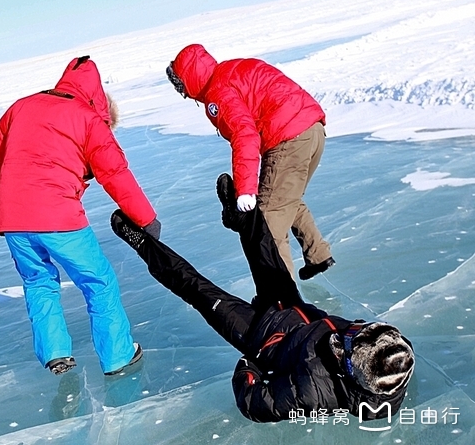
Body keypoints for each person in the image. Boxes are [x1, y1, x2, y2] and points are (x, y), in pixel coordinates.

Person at [109, 173, 414, 422]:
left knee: (196, 287)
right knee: (267, 250)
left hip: (259, 332)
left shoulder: (314, 393)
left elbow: (256, 404)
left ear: (349, 369)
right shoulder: (388, 352)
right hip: (296, 312)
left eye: (345, 342)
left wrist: (249, 365)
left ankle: (142, 244)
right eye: (354, 331)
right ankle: (240, 216)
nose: (347, 331)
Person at [0, 55, 160, 376]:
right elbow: (114, 171)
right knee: (98, 281)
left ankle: (55, 353)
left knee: (38, 281)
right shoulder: (88, 119)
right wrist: (146, 219)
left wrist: (14, 201)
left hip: (14, 220)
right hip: (57, 216)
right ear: (101, 107)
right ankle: (119, 356)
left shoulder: (20, 107)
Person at [166, 44, 333, 280]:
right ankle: (318, 254)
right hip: (312, 129)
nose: (181, 91)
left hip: (288, 137)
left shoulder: (217, 93)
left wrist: (245, 190)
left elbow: (244, 134)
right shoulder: (232, 70)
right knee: (285, 198)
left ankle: (284, 303)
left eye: (180, 85)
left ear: (190, 77)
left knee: (267, 225)